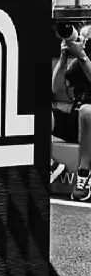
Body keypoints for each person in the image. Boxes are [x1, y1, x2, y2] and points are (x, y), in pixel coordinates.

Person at [52, 23, 91, 201]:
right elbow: (57, 88)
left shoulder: (83, 59)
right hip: (76, 122)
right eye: (80, 38)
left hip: (89, 121)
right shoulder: (77, 63)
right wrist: (63, 56)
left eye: (86, 39)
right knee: (41, 114)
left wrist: (83, 56)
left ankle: (84, 172)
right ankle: (51, 166)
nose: (82, 41)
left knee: (87, 110)